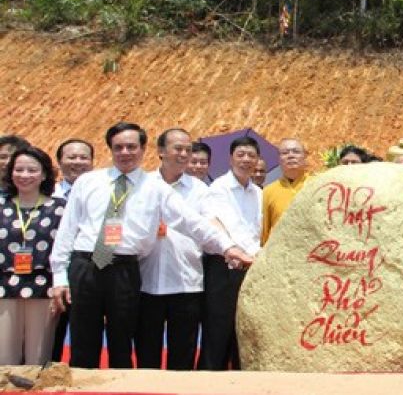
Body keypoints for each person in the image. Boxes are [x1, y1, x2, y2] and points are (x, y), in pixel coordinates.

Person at [48, 122, 252, 369]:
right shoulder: (88, 182)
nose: (125, 152)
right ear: (110, 149)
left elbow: (192, 222)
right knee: (83, 341)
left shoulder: (156, 189)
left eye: (131, 147)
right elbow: (68, 230)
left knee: (122, 344)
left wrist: (228, 248)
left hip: (125, 269)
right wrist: (59, 275)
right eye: (119, 147)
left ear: (144, 149)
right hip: (86, 266)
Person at [134, 129, 210, 370]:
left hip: (187, 282)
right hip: (147, 281)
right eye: (178, 148)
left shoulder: (201, 190)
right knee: (147, 354)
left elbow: (209, 229)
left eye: (188, 149)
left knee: (183, 355)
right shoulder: (141, 185)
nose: (184, 154)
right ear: (160, 151)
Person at [199, 136, 263, 370]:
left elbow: (256, 229)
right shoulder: (219, 188)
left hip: (249, 267)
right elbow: (229, 225)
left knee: (242, 330)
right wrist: (257, 255)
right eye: (241, 155)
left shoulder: (257, 192)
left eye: (251, 156)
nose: (246, 160)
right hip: (223, 266)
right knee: (218, 329)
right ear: (231, 158)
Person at [0, 146, 67, 365]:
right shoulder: (2, 207)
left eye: (32, 170)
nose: (24, 175)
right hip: (4, 286)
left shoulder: (59, 208)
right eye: (19, 170)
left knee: (38, 358)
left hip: (43, 286)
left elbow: (65, 248)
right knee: (4, 357)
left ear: (45, 174)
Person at [50, 138, 95, 362]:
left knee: (84, 337)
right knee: (50, 337)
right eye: (71, 157)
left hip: (86, 274)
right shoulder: (47, 195)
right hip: (51, 276)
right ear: (59, 162)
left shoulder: (99, 194)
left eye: (83, 157)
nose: (78, 162)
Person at [261, 138, 309, 246]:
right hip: (280, 253)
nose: (290, 156)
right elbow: (264, 232)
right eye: (285, 153)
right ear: (279, 159)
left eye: (296, 152)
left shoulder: (317, 185)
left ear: (305, 157)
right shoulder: (268, 191)